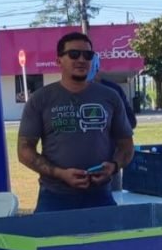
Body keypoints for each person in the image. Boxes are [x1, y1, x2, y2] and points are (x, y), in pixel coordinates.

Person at [17, 32, 135, 212]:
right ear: (59, 61)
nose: (81, 59)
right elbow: (24, 150)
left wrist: (113, 167)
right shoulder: (40, 99)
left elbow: (126, 145)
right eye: (73, 54)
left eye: (87, 55)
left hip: (100, 195)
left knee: (108, 241)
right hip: (54, 197)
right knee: (50, 241)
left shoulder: (109, 97)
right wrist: (59, 174)